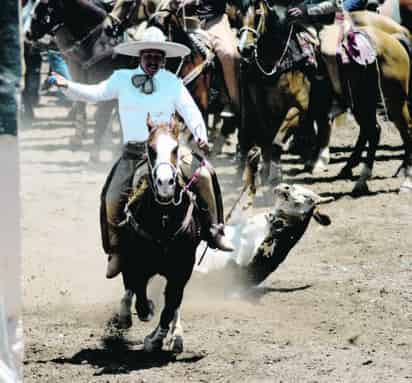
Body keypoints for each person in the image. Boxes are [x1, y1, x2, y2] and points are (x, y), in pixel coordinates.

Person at [51, 26, 235, 279]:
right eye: (148, 56)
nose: (153, 61)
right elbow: (95, 94)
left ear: (163, 58)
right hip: (135, 153)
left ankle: (215, 229)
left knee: (204, 176)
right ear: (140, 56)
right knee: (111, 198)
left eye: (158, 57)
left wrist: (201, 135)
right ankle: (116, 250)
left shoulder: (173, 82)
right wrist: (66, 85)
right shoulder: (122, 79)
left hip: (170, 151)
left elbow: (191, 112)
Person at [287, 0, 348, 115]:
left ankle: (339, 97)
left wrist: (305, 9)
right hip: (303, 22)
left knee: (328, 52)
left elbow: (333, 4)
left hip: (328, 22)